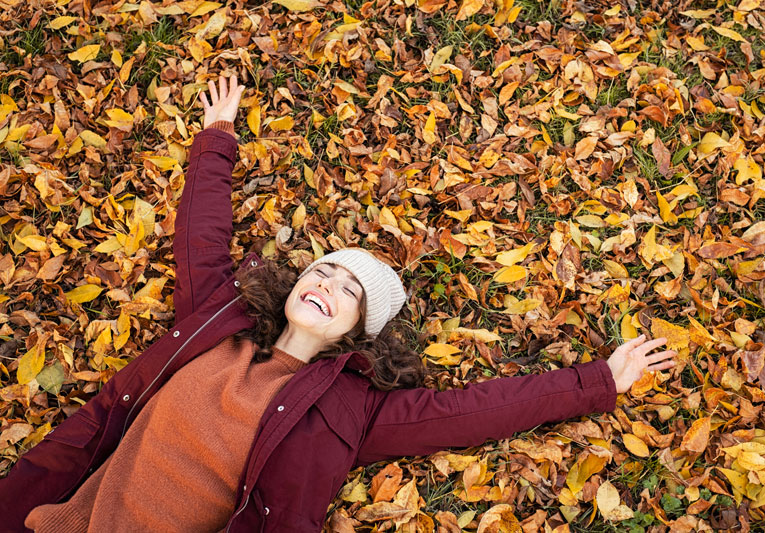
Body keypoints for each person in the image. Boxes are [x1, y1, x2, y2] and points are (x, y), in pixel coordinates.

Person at [0, 75, 677, 532]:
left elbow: (474, 411)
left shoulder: (352, 410)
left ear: (360, 331)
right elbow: (203, 232)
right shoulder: (218, 313)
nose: (328, 285)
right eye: (325, 271)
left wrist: (600, 381)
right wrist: (218, 137)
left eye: (351, 292)